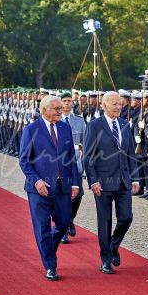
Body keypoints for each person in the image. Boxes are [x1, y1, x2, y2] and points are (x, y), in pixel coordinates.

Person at [18, 95, 80, 281]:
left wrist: (75, 182)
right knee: (43, 228)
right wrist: (36, 181)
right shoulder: (31, 129)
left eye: (61, 108)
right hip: (39, 189)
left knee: (64, 222)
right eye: (57, 109)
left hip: (62, 187)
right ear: (44, 110)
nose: (61, 111)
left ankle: (47, 250)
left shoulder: (65, 127)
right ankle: (50, 266)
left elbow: (71, 158)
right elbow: (24, 160)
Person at [83, 91, 140, 275]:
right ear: (104, 105)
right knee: (105, 222)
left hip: (123, 181)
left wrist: (136, 177)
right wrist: (93, 180)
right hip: (103, 182)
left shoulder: (124, 124)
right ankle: (106, 259)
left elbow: (131, 154)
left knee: (126, 217)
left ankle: (114, 245)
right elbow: (88, 156)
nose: (118, 107)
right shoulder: (94, 126)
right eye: (114, 104)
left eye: (120, 104)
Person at [59, 92, 87, 244]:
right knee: (63, 196)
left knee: (78, 196)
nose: (67, 104)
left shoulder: (79, 121)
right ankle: (63, 229)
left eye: (70, 101)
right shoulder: (56, 120)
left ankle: (70, 219)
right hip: (60, 165)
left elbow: (86, 143)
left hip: (76, 164)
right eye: (64, 101)